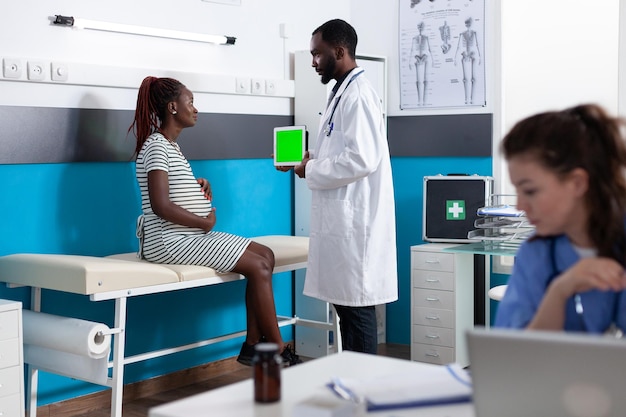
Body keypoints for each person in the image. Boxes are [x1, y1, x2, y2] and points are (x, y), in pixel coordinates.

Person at [128, 76, 301, 366]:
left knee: (266, 255)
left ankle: (251, 346)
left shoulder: (170, 146)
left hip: (188, 237)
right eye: (190, 102)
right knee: (258, 265)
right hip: (169, 242)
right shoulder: (157, 146)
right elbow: (159, 205)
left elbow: (169, 190)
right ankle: (276, 350)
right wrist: (202, 222)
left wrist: (196, 184)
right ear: (172, 107)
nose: (196, 109)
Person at [279, 19, 398, 354]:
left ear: (340, 51)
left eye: (318, 54)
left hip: (355, 226)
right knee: (348, 310)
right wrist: (311, 158)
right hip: (344, 223)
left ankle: (362, 390)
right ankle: (353, 384)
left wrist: (311, 169)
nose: (313, 61)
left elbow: (362, 159)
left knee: (357, 311)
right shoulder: (341, 92)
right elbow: (344, 150)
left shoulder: (357, 96)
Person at [494, 103, 626, 334]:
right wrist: (560, 289)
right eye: (517, 190)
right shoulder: (536, 253)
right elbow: (519, 353)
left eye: (530, 191)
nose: (519, 206)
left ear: (577, 183)